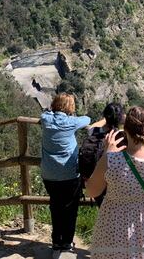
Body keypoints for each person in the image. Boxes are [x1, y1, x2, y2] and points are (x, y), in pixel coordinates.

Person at [86, 106, 144, 259]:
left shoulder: (111, 160)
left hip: (111, 230)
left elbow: (91, 191)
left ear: (125, 131)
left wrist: (106, 152)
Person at [40, 93, 103, 258]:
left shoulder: (45, 119)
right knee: (70, 209)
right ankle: (66, 244)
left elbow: (44, 114)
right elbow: (87, 119)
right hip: (69, 174)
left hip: (49, 174)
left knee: (56, 207)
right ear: (70, 107)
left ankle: (56, 243)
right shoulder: (72, 122)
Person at [78, 102, 126, 205]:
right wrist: (121, 118)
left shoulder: (94, 131)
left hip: (94, 181)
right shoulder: (121, 135)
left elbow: (93, 125)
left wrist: (107, 118)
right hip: (112, 183)